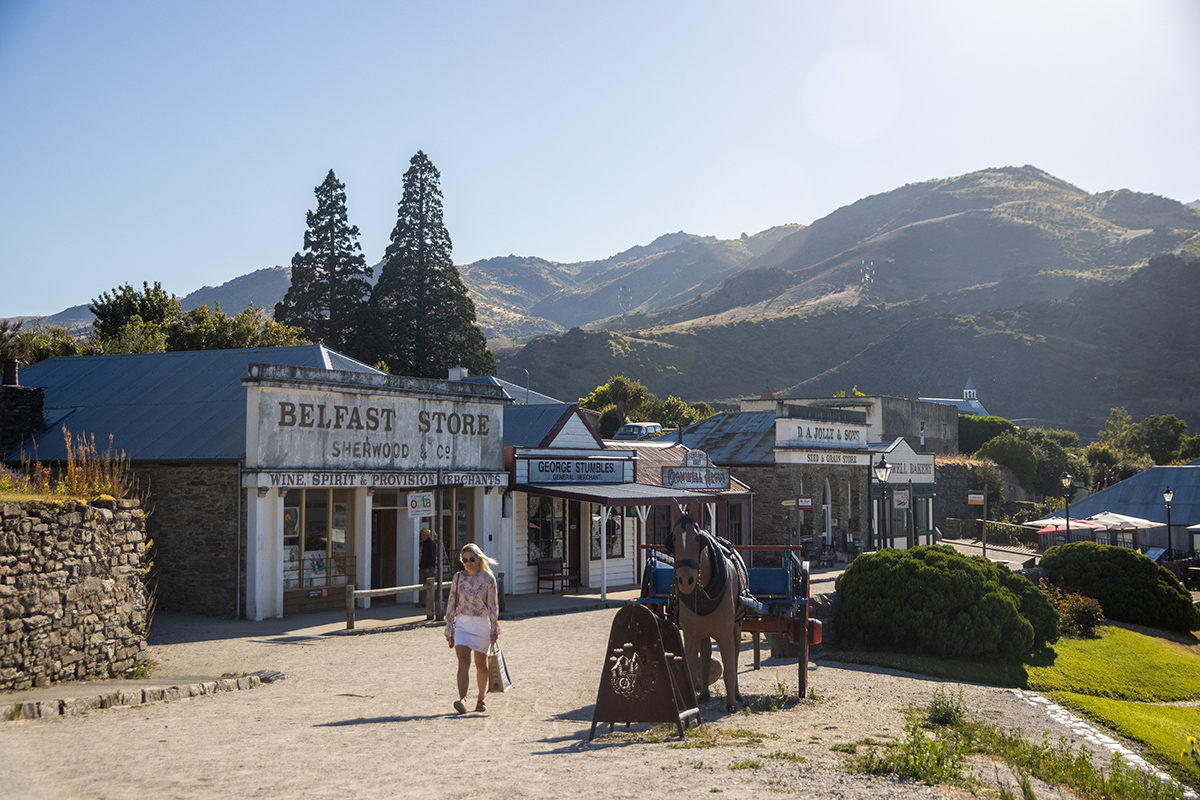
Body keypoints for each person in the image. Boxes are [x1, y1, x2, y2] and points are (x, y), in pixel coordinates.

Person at [444, 542, 500, 714]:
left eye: (471, 559)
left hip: (482, 623)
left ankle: (481, 699)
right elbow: (451, 602)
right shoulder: (458, 577)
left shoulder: (488, 579)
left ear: (478, 559)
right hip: (462, 623)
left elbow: (493, 606)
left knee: (481, 664)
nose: (468, 562)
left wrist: (494, 628)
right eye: (464, 559)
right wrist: (449, 628)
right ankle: (463, 700)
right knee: (463, 662)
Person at [418, 527, 437, 607]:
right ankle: (422, 601)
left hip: (428, 567)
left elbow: (432, 556)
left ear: (424, 535)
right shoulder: (425, 543)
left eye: (421, 534)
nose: (420, 536)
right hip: (423, 566)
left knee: (429, 585)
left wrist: (429, 567)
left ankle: (428, 602)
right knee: (422, 584)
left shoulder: (430, 543)